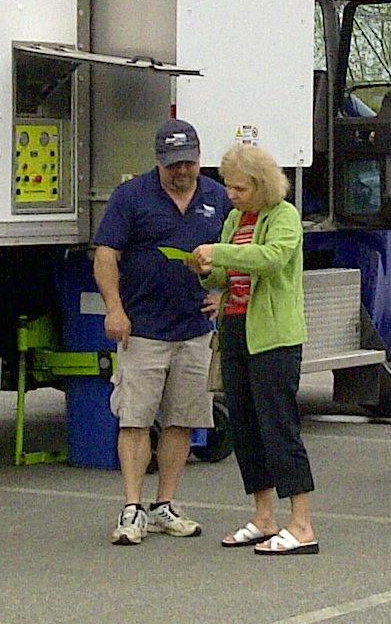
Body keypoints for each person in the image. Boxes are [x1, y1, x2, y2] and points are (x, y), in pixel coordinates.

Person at [92, 119, 227, 544]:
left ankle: (165, 505)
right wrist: (115, 309)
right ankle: (132, 508)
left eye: (187, 162)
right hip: (143, 328)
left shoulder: (218, 197)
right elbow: (105, 255)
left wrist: (224, 292)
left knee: (182, 421)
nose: (181, 171)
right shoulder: (132, 196)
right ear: (157, 161)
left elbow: (242, 252)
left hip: (195, 328)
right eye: (172, 165)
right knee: (135, 418)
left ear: (200, 158)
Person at [192, 142, 315, 556]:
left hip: (275, 337)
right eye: (229, 187)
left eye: (240, 188)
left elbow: (271, 259)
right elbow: (226, 275)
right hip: (235, 328)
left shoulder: (285, 217)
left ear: (261, 185)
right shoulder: (233, 220)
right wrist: (207, 270)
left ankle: (302, 524)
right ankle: (265, 516)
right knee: (245, 425)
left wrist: (221, 253)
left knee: (279, 426)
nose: (232, 195)